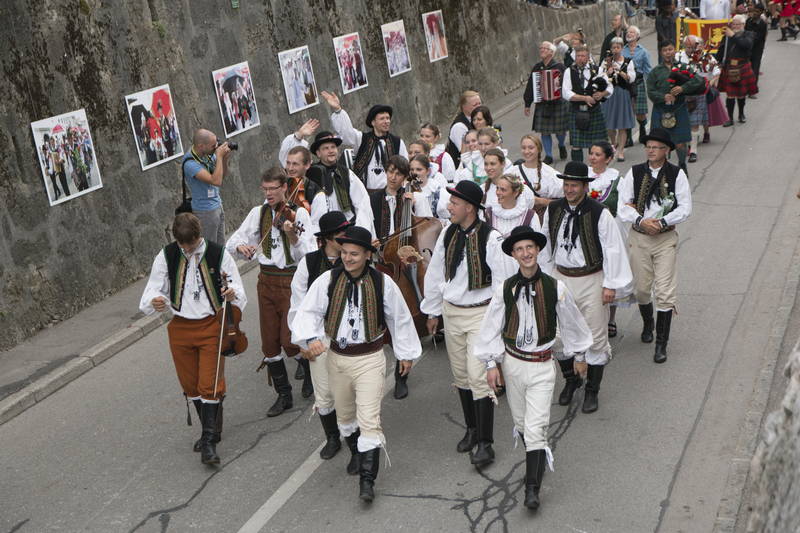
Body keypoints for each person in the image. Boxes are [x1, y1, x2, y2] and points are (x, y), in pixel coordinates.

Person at [291, 225, 422, 502]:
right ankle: (356, 452)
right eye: (345, 253)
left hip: (370, 360)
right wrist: (310, 339)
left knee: (369, 420)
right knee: (346, 418)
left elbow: (399, 318)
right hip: (337, 359)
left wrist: (405, 353)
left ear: (367, 255)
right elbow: (308, 312)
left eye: (354, 254)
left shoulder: (383, 283)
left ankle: (367, 481)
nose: (348, 258)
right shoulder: (327, 281)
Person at [475, 226, 592, 510]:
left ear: (537, 250)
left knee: (536, 427)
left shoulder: (555, 287)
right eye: (519, 249)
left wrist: (579, 355)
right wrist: (491, 363)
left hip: (541, 366)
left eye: (529, 247)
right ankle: (535, 459)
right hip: (513, 364)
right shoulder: (506, 289)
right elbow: (491, 327)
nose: (525, 253)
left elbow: (572, 323)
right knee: (521, 424)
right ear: (514, 255)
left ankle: (531, 490)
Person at [421, 180, 517, 468]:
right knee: (461, 375)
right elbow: (436, 272)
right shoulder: (448, 232)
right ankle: (472, 429)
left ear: (470, 208)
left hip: (480, 314)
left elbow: (502, 284)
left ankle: (486, 444)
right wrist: (432, 311)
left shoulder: (491, 238)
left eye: (454, 202)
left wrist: (497, 323)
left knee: (479, 377)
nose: (448, 206)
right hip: (452, 312)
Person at [139, 213, 246, 465]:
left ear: (199, 235)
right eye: (182, 244)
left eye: (192, 243)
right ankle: (212, 428)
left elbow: (239, 290)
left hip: (212, 325)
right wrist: (155, 301)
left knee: (209, 383)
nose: (187, 249)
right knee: (191, 385)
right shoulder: (166, 255)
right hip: (180, 327)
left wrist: (232, 293)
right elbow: (152, 290)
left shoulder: (219, 254)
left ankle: (208, 441)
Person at [539, 162, 633, 414]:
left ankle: (592, 390)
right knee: (558, 335)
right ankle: (571, 380)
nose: (569, 189)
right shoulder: (554, 209)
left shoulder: (600, 213)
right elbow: (545, 243)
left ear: (584, 186)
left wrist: (610, 285)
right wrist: (546, 277)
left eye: (574, 185)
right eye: (566, 184)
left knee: (595, 335)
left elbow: (613, 249)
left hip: (591, 279)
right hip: (561, 277)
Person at [226, 167, 315, 416]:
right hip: (265, 281)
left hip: (290, 281)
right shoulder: (259, 213)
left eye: (273, 189)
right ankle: (283, 395)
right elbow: (232, 242)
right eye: (264, 189)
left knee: (290, 339)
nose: (268, 194)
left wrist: (292, 236)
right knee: (270, 343)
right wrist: (242, 247)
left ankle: (309, 372)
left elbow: (307, 254)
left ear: (285, 187)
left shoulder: (299, 214)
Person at [617, 128, 692, 364]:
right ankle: (648, 322)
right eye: (648, 146)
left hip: (664, 238)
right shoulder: (635, 172)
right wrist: (641, 220)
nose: (650, 150)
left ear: (666, 150)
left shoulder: (677, 174)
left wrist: (662, 222)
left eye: (656, 147)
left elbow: (685, 207)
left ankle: (661, 344)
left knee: (665, 292)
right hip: (639, 237)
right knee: (641, 289)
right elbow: (623, 206)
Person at [288, 211, 352, 464]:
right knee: (324, 392)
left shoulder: (354, 258)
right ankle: (333, 437)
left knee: (351, 391)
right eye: (340, 236)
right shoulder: (309, 263)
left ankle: (356, 441)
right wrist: (304, 341)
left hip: (350, 336)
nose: (346, 240)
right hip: (320, 336)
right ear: (327, 239)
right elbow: (298, 305)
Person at [586, 141, 634, 338]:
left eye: (597, 154)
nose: (592, 157)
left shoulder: (617, 180)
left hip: (610, 231)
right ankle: (592, 319)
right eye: (591, 153)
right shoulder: (583, 177)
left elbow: (625, 206)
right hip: (587, 231)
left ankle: (611, 319)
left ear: (608, 159)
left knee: (610, 271)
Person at [322, 91, 408, 191]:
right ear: (373, 122)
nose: (386, 121)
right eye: (382, 119)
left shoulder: (397, 142)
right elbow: (347, 133)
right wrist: (338, 110)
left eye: (388, 118)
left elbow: (405, 167)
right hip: (367, 193)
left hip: (391, 193)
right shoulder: (362, 139)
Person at [647, 41, 704, 172]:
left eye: (670, 49)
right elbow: (650, 92)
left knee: (680, 142)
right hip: (661, 110)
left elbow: (698, 80)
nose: (668, 52)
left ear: (675, 50)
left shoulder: (684, 67)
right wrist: (663, 97)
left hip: (679, 108)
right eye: (665, 50)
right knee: (659, 142)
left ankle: (682, 165)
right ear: (661, 53)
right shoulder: (655, 72)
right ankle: (661, 170)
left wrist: (683, 88)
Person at [306, 131, 376, 236]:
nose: (331, 151)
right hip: (324, 230)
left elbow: (362, 202)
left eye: (333, 147)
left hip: (347, 226)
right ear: (318, 153)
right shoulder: (312, 174)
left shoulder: (346, 173)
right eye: (326, 148)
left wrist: (361, 228)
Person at [562, 45, 613, 163]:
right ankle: (579, 169)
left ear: (588, 57)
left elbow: (610, 87)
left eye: (583, 56)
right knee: (576, 145)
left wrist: (602, 94)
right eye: (578, 56)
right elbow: (566, 93)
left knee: (595, 145)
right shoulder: (569, 71)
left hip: (594, 111)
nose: (580, 58)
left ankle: (594, 169)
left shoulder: (598, 70)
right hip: (576, 111)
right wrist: (585, 98)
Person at [182, 129, 234, 245]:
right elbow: (216, 181)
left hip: (217, 205)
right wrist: (219, 157)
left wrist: (224, 158)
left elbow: (222, 176)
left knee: (221, 246)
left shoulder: (207, 155)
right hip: (205, 211)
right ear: (201, 146)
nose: (215, 148)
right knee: (210, 247)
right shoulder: (190, 163)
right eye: (213, 146)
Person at [523, 41, 570, 165]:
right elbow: (531, 86)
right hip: (543, 103)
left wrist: (559, 85)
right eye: (541, 48)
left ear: (551, 52)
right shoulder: (537, 68)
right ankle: (548, 155)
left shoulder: (560, 67)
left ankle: (561, 145)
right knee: (545, 131)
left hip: (558, 102)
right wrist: (527, 103)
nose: (542, 50)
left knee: (560, 131)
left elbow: (568, 83)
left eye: (545, 48)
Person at [677, 35, 721, 162]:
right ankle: (688, 144)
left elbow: (716, 70)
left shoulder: (705, 57)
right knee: (684, 122)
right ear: (684, 46)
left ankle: (693, 151)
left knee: (695, 123)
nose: (690, 49)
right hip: (682, 93)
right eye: (688, 47)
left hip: (699, 92)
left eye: (693, 47)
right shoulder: (678, 56)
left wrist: (711, 81)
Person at [507, 134, 564, 219]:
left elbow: (564, 202)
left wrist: (540, 201)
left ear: (539, 149)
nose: (526, 151)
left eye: (531, 148)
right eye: (523, 148)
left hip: (543, 219)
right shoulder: (512, 172)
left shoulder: (549, 173)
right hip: (517, 218)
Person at [716, 15, 759, 125]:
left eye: (737, 24)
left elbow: (746, 45)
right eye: (733, 24)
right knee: (730, 94)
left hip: (742, 66)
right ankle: (730, 118)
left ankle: (741, 114)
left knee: (741, 94)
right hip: (729, 66)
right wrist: (717, 61)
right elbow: (721, 50)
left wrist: (733, 35)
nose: (735, 26)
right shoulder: (727, 36)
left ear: (743, 25)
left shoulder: (749, 34)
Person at [599, 37, 637, 162]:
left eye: (618, 47)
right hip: (608, 94)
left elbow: (631, 78)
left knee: (622, 125)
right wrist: (607, 72)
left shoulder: (628, 62)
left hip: (622, 94)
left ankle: (620, 151)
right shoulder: (606, 62)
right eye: (613, 47)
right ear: (611, 49)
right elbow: (599, 78)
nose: (615, 50)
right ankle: (613, 142)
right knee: (609, 124)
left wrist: (619, 70)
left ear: (622, 48)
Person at [623, 25, 653, 145]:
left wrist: (651, 85)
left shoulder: (643, 52)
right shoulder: (622, 50)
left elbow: (648, 70)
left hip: (639, 82)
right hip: (625, 83)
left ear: (637, 36)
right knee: (627, 110)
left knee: (640, 112)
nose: (629, 34)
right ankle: (628, 137)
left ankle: (642, 128)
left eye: (632, 32)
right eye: (628, 32)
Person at [410, 154, 451, 219]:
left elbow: (448, 217)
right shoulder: (405, 189)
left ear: (428, 171)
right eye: (412, 169)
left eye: (419, 169)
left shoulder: (437, 192)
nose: (414, 173)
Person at [446, 90, 482, 162]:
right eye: (475, 105)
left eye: (479, 103)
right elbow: (467, 153)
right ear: (464, 107)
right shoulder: (459, 127)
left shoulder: (480, 119)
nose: (479, 107)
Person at [746, 4, 768, 94]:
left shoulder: (762, 24)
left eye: (757, 11)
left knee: (755, 69)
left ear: (761, 12)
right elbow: (745, 32)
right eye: (754, 10)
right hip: (747, 48)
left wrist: (748, 38)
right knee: (747, 68)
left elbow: (758, 38)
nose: (755, 13)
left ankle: (752, 90)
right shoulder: (748, 21)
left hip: (757, 50)